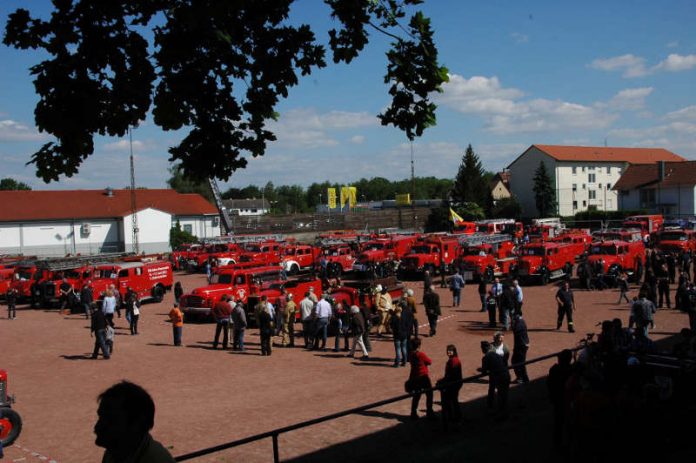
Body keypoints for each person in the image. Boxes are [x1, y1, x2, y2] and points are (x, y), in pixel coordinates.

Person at [94, 380, 175, 463]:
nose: (97, 427)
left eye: (110, 421)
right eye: (101, 418)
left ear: (135, 426)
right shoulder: (114, 453)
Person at [547, 349, 573, 448]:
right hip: (567, 399)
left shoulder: (555, 369)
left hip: (559, 399)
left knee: (559, 422)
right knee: (567, 422)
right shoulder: (571, 369)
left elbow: (549, 384)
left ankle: (558, 443)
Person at [479, 340, 510, 417]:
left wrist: (487, 369)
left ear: (483, 349)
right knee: (503, 395)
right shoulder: (496, 355)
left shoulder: (486, 357)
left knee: (499, 394)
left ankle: (500, 413)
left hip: (499, 377)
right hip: (506, 375)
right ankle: (502, 411)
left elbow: (483, 372)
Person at [407, 337, 435, 420]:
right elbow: (429, 361)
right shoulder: (420, 354)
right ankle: (429, 412)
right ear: (418, 346)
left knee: (417, 396)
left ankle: (413, 412)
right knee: (429, 394)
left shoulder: (411, 355)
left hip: (415, 377)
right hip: (423, 377)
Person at [437, 344, 462, 423]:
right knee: (454, 400)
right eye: (448, 351)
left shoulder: (454, 360)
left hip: (453, 383)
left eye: (450, 351)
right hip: (454, 383)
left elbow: (452, 374)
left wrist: (444, 381)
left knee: (450, 401)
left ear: (454, 351)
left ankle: (453, 417)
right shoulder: (453, 359)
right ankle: (455, 417)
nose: (448, 352)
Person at [511, 314, 530, 383]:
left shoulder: (519, 324)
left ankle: (523, 378)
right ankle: (522, 378)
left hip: (521, 346)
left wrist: (512, 323)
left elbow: (514, 329)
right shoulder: (521, 321)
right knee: (518, 362)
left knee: (518, 362)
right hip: (522, 345)